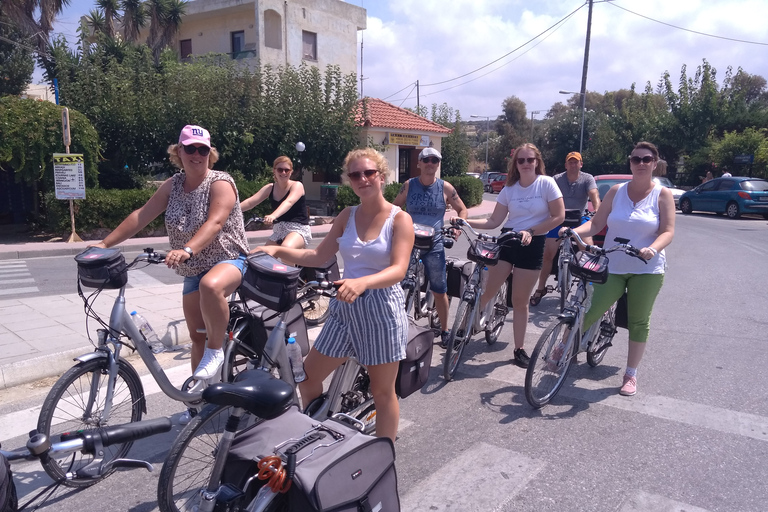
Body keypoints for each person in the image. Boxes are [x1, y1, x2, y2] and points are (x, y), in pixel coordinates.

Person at [253, 148, 414, 442]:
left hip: (381, 310)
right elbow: (317, 255)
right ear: (349, 180)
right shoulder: (347, 215)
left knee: (382, 392)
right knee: (309, 377)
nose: (363, 179)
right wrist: (275, 250)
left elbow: (398, 270)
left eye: (369, 173)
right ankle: (321, 430)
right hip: (344, 307)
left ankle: (384, 453)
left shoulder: (399, 219)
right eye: (355, 175)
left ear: (382, 176)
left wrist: (363, 282)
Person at [92, 125, 249, 383]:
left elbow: (215, 222)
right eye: (190, 148)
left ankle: (216, 351)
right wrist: (104, 244)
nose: (196, 154)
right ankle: (198, 398)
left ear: (210, 153)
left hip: (228, 259)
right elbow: (142, 215)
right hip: (192, 268)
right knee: (197, 335)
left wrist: (187, 249)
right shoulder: (173, 185)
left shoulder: (220, 182)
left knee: (211, 286)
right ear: (178, 151)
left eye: (203, 149)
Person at [567, 141, 674, 396]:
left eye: (646, 159)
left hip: (647, 269)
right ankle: (563, 347)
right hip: (613, 264)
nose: (640, 164)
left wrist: (653, 248)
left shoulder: (662, 195)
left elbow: (668, 231)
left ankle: (630, 374)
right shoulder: (616, 191)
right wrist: (572, 232)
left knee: (638, 321)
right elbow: (595, 225)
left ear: (654, 164)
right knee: (590, 309)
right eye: (635, 159)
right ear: (630, 162)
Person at [455, 143, 564, 368]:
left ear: (537, 162)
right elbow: (494, 221)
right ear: (515, 164)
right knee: (487, 291)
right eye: (521, 160)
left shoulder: (546, 184)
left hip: (533, 243)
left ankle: (519, 349)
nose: (525, 164)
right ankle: (462, 332)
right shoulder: (509, 189)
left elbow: (559, 216)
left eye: (530, 160)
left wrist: (532, 231)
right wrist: (465, 221)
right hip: (508, 241)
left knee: (520, 302)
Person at [392, 147, 468, 347]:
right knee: (398, 283)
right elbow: (395, 206)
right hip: (409, 241)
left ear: (438, 164)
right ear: (419, 163)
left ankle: (444, 329)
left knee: (439, 289)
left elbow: (462, 209)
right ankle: (393, 325)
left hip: (434, 244)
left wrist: (458, 224)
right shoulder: (409, 185)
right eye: (426, 159)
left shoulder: (445, 188)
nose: (430, 163)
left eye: (434, 160)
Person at [530, 151, 599, 306]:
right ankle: (541, 288)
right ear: (566, 165)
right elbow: (546, 196)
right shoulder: (557, 179)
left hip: (579, 219)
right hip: (558, 219)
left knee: (588, 250)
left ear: (581, 164)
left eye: (576, 162)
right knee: (547, 253)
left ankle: (588, 287)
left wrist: (597, 211)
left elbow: (594, 195)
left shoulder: (587, 178)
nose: (573, 165)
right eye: (570, 162)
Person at [240, 156, 311, 249]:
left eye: (287, 170)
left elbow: (288, 202)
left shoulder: (297, 185)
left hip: (298, 229)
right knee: (260, 257)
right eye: (280, 170)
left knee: (285, 248)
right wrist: (229, 210)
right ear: (274, 171)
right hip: (279, 231)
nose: (283, 173)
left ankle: (290, 263)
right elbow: (250, 202)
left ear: (291, 171)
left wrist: (273, 216)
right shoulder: (270, 188)